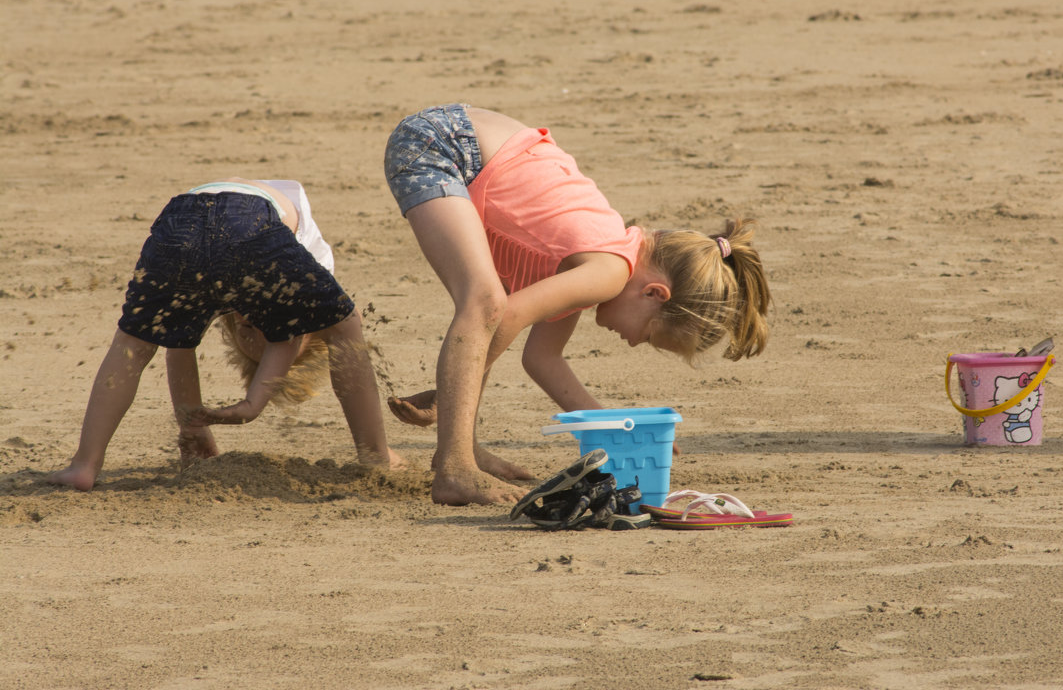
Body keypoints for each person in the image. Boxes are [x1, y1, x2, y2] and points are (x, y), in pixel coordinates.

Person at [383, 104, 770, 506]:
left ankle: (463, 451)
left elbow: (542, 359)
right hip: (445, 143)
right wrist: (448, 399)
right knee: (485, 303)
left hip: (463, 143)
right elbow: (506, 317)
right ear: (655, 293)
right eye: (651, 335)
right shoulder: (608, 271)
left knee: (486, 307)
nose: (634, 343)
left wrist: (615, 431)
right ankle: (455, 465)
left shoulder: (591, 263)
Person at [48, 178, 402, 491]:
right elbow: (286, 337)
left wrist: (192, 426)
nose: (256, 329)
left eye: (253, 340)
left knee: (133, 344)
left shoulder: (230, 300)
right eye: (257, 335)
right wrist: (252, 404)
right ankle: (375, 455)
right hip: (245, 217)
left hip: (179, 220)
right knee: (346, 323)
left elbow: (179, 346)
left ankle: (85, 464)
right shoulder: (313, 269)